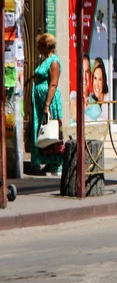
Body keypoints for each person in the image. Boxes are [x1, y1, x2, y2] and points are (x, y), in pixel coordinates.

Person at [30, 32, 64, 175]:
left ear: (46, 46)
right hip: (40, 103)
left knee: (52, 132)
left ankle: (57, 163)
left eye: (40, 46)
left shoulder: (54, 62)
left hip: (49, 102)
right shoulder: (45, 60)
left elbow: (53, 85)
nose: (38, 49)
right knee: (43, 132)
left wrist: (47, 105)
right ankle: (49, 162)